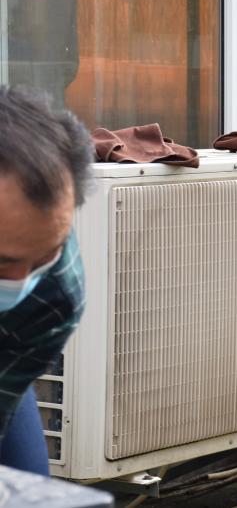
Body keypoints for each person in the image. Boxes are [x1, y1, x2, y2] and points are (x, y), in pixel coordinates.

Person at [0, 86, 92, 474]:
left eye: (42, 257)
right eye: (2, 262)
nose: (21, 283)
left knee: (25, 486)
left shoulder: (55, 295)